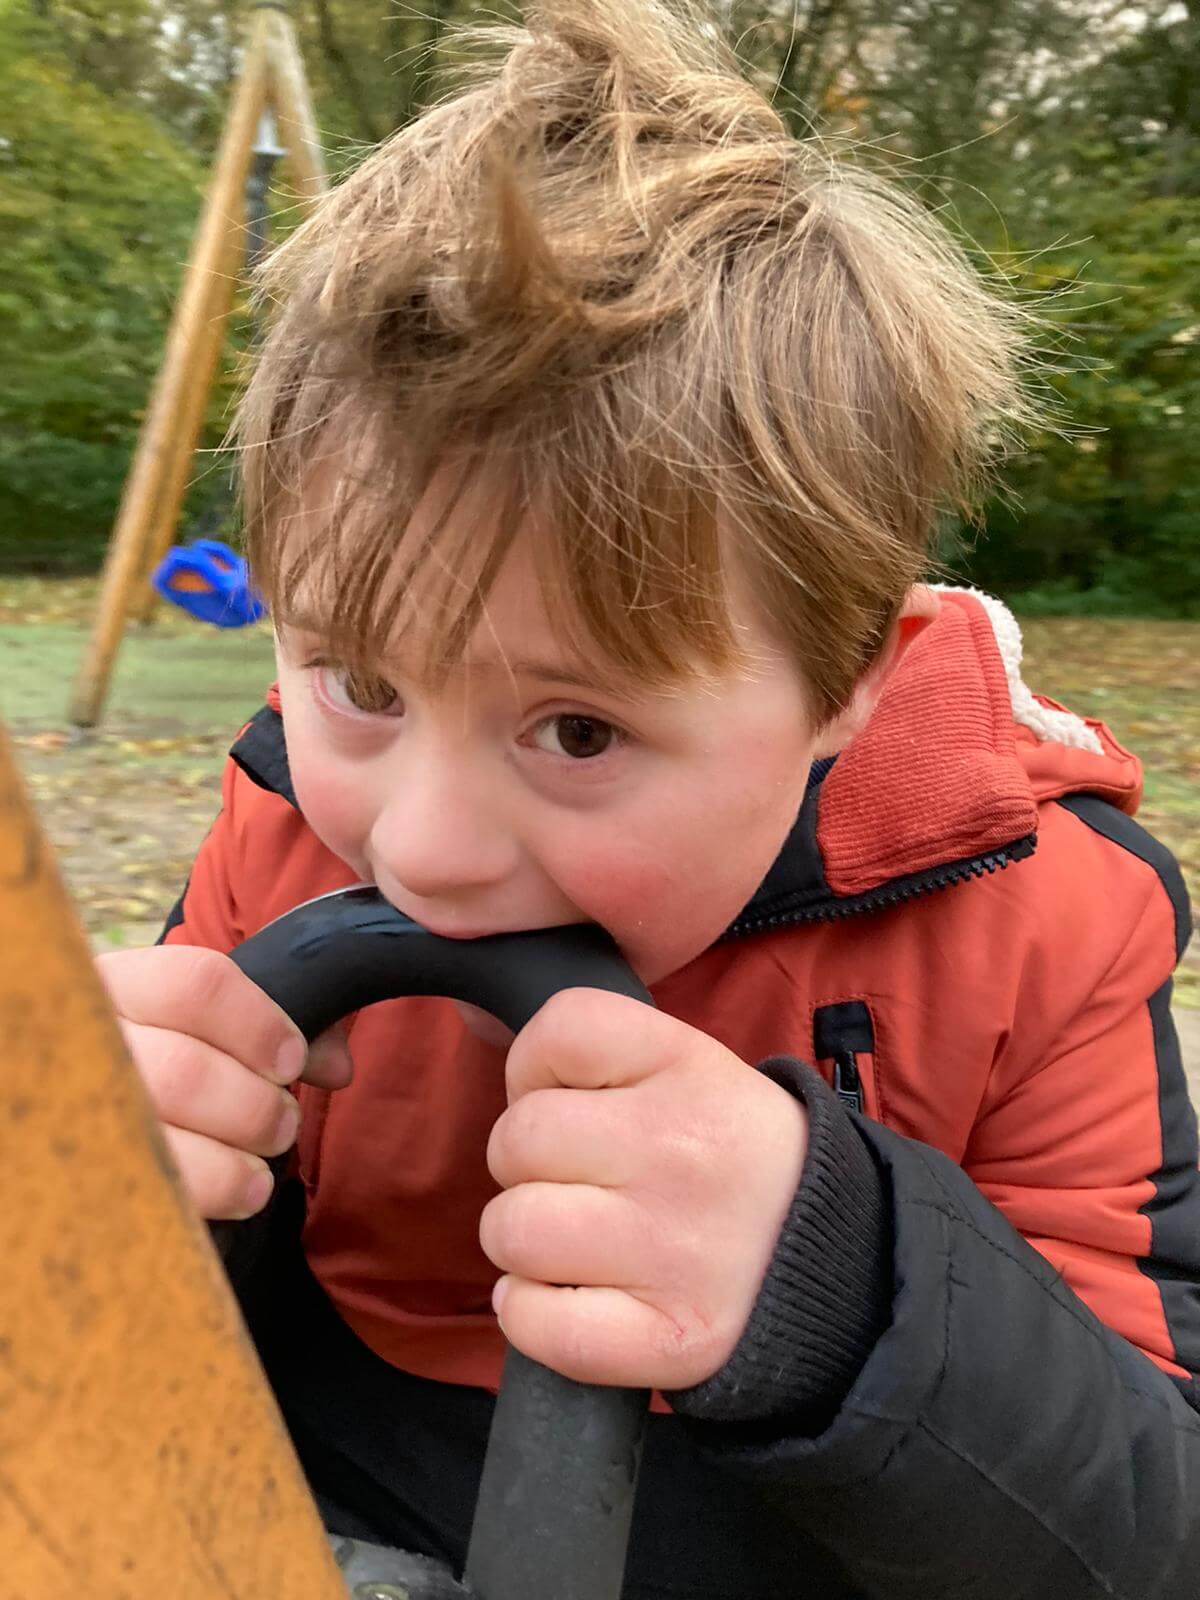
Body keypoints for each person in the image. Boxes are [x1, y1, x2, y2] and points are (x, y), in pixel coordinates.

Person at [98, 1, 1200, 1593]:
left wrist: (840, 1283)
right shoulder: (280, 823)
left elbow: (1152, 1525)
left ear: (846, 685)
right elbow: (147, 1364)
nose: (420, 847)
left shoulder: (1047, 919)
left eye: (580, 732)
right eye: (366, 684)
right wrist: (133, 1185)